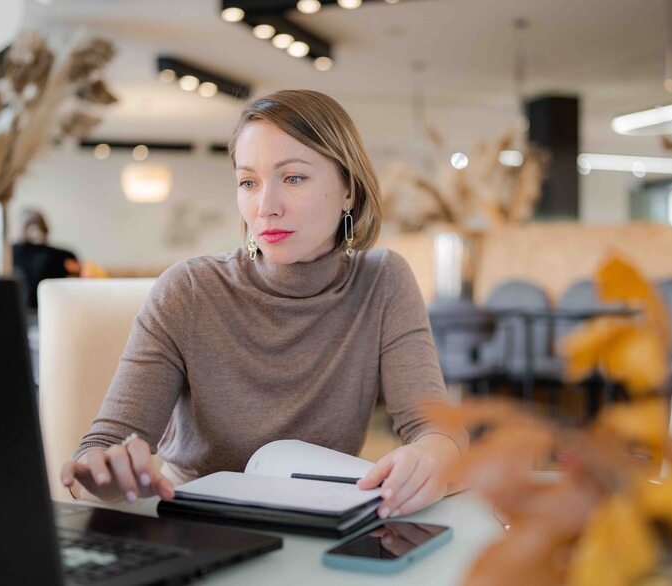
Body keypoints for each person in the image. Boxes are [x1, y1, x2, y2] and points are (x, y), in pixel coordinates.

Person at [61, 90, 467, 520]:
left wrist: (431, 459)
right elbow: (101, 447)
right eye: (248, 182)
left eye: (293, 178)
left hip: (321, 523)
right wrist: (105, 471)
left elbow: (436, 430)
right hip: (197, 526)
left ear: (348, 189)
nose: (265, 207)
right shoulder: (189, 289)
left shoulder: (382, 281)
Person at [11, 208, 80, 311]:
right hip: (52, 313)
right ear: (45, 229)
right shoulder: (65, 256)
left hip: (19, 314)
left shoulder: (6, 256)